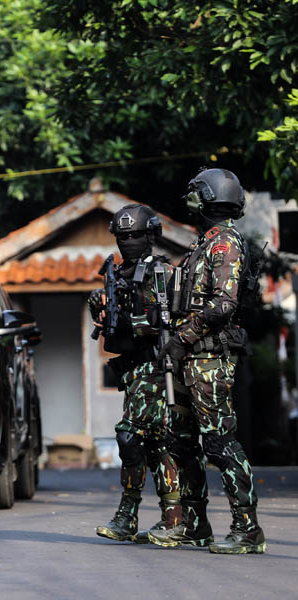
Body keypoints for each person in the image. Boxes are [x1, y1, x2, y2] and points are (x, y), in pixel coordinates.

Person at [151, 168, 266, 554]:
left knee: (219, 442)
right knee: (180, 441)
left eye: (194, 193)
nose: (189, 201)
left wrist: (182, 338)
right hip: (189, 358)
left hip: (210, 358)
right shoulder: (203, 244)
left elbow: (224, 304)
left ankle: (247, 529)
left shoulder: (225, 244)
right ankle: (195, 525)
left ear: (209, 197)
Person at [89, 204, 183, 545]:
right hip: (132, 369)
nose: (127, 242)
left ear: (150, 235)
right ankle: (171, 519)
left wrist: (136, 322)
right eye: (122, 236)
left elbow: (172, 321)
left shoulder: (164, 275)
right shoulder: (116, 275)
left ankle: (129, 516)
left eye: (134, 235)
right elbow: (108, 323)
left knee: (131, 437)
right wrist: (100, 306)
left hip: (158, 365)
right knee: (156, 444)